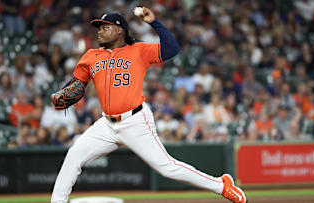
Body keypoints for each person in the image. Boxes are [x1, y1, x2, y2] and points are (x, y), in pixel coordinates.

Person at [50, 7, 247, 203]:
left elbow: (172, 49)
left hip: (135, 120)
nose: (99, 31)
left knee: (167, 167)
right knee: (74, 155)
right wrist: (61, 94)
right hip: (106, 124)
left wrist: (154, 22)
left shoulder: (139, 50)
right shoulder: (91, 56)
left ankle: (222, 185)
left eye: (104, 27)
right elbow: (76, 84)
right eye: (98, 27)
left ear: (120, 30)